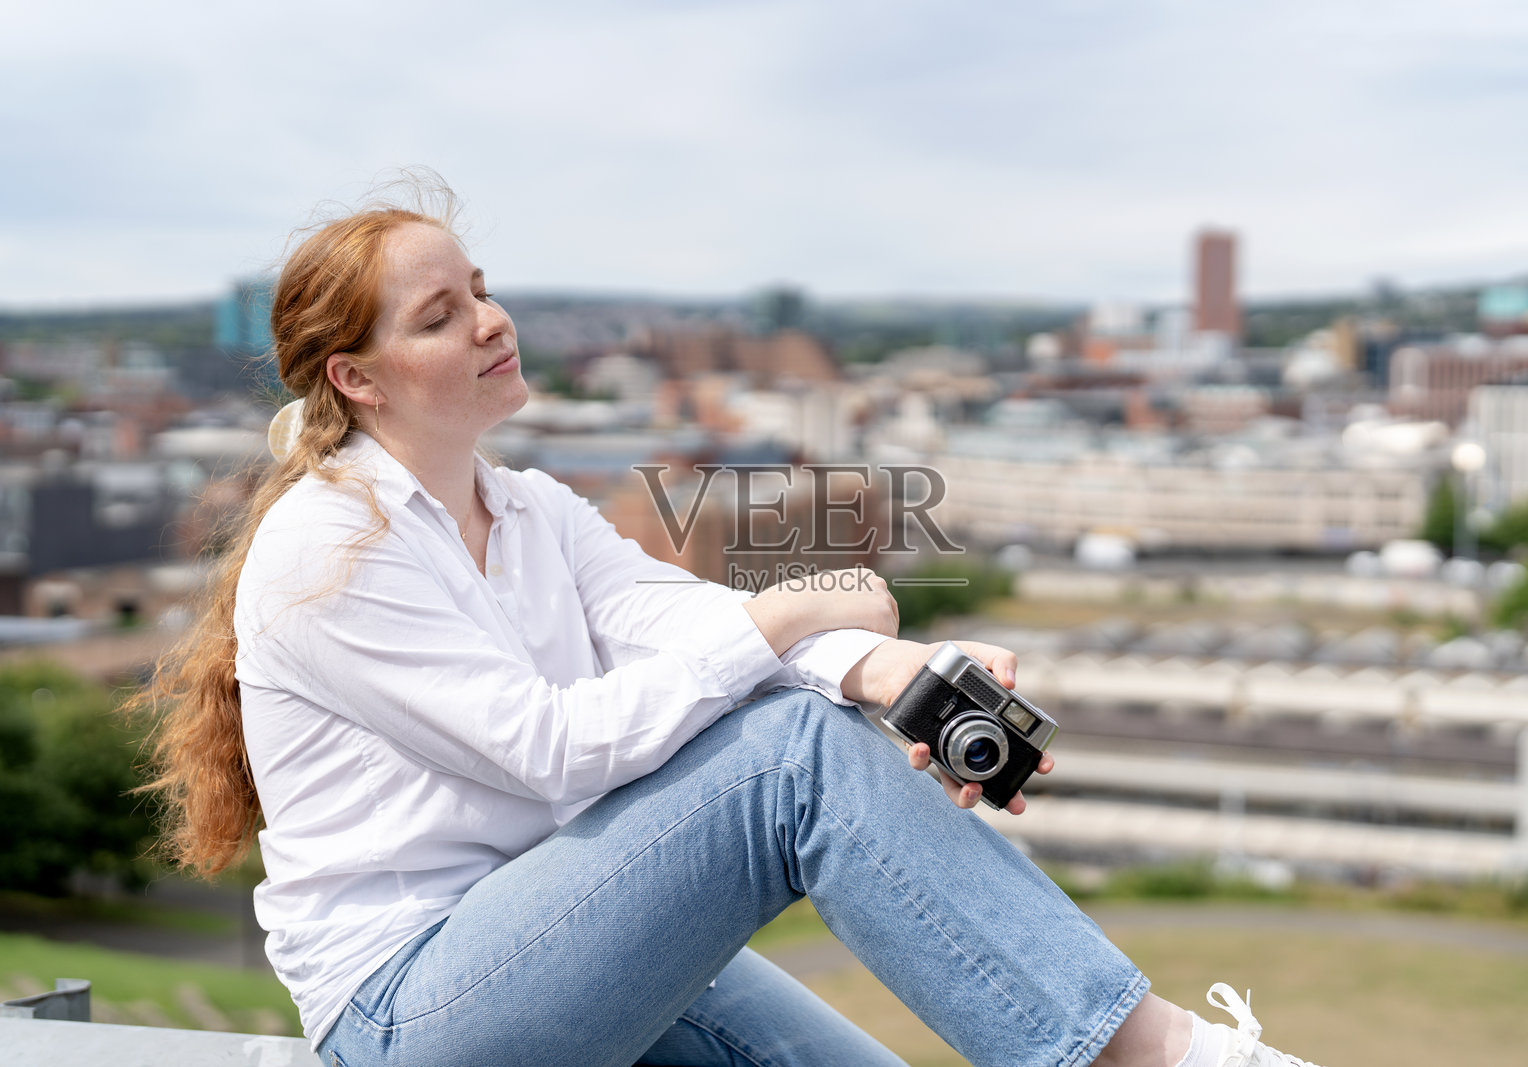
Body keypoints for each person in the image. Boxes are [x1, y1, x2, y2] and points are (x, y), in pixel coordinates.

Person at [137, 185, 1325, 1067]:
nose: (491, 322)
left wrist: (885, 667)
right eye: (441, 316)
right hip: (410, 1012)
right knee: (784, 754)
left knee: (798, 725)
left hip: (563, 934)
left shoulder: (529, 508)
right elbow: (555, 747)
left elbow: (683, 624)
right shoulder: (328, 551)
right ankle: (1163, 1057)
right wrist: (794, 612)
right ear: (358, 378)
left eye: (483, 290)